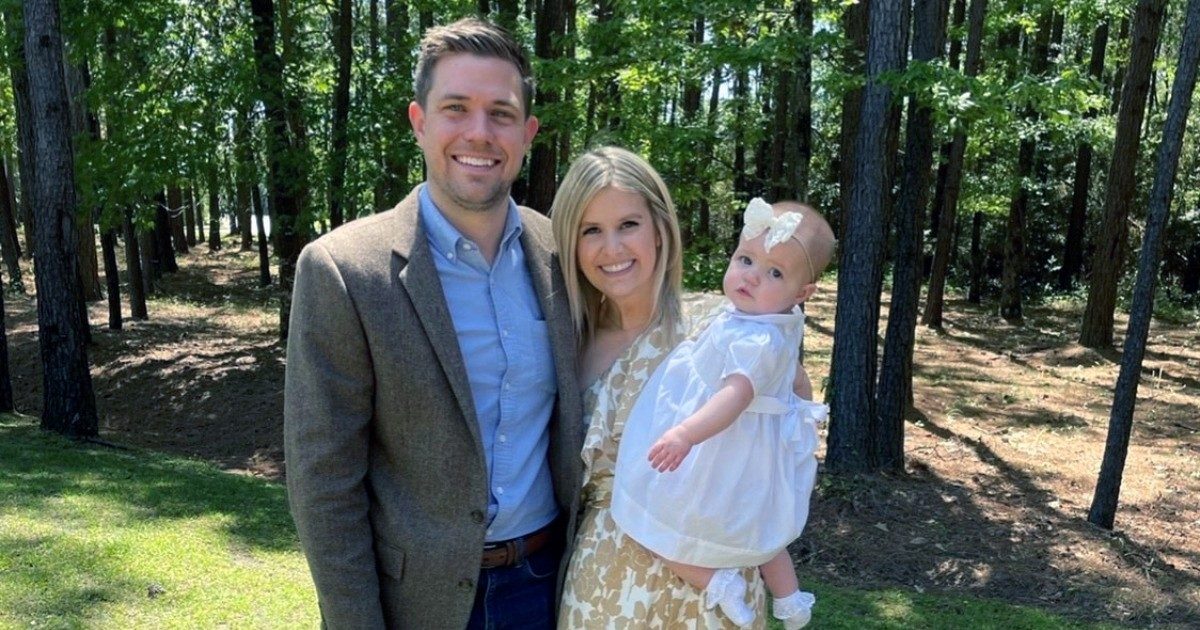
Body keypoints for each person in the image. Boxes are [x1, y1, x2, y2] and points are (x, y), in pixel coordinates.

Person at [283, 17, 583, 629]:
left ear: (527, 133)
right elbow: (325, 482)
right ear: (419, 123)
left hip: (551, 587)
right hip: (417, 603)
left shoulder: (564, 254)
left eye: (501, 113)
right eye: (456, 108)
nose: (480, 132)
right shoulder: (343, 271)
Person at [550, 146, 767, 628]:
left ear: (660, 227)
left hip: (712, 582)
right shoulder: (567, 346)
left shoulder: (719, 327)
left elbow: (781, 427)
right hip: (605, 584)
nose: (613, 248)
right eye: (591, 230)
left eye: (628, 224)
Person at [610, 197, 837, 629]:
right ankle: (789, 601)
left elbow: (734, 396)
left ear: (801, 293)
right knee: (764, 533)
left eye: (774, 272)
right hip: (748, 457)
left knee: (658, 524)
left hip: (716, 448)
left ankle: (716, 581)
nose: (751, 276)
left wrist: (685, 434)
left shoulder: (758, 341)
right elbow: (797, 377)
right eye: (746, 259)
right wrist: (802, 411)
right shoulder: (771, 324)